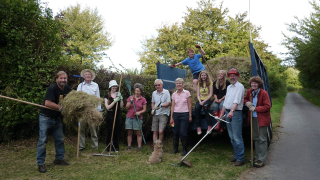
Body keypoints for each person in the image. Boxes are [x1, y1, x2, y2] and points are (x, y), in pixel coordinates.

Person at [36, 71, 71, 173]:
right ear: (56, 79)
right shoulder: (52, 88)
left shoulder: (66, 89)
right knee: (43, 141)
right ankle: (40, 163)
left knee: (60, 139)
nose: (63, 80)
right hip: (46, 118)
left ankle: (59, 159)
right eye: (61, 78)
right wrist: (60, 108)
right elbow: (47, 103)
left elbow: (73, 97)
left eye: (64, 78)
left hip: (57, 119)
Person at [244, 76, 271, 168]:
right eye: (252, 83)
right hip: (253, 118)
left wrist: (255, 108)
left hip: (262, 119)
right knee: (255, 138)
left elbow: (267, 106)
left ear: (259, 84)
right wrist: (247, 102)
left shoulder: (264, 93)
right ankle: (256, 156)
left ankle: (261, 159)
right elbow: (245, 99)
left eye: (255, 83)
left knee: (262, 139)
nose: (254, 84)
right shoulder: (250, 92)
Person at [220, 67, 245, 166]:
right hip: (227, 112)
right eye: (231, 75)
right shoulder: (229, 87)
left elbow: (237, 100)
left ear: (237, 76)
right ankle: (236, 155)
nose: (232, 77)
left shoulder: (240, 87)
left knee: (237, 137)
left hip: (235, 113)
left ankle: (241, 158)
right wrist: (222, 113)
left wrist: (232, 111)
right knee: (231, 137)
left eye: (234, 75)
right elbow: (226, 101)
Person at [77, 69, 100, 151]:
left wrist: (98, 109)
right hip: (82, 110)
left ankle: (95, 146)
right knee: (81, 129)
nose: (88, 76)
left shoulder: (95, 85)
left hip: (92, 110)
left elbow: (97, 97)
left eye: (89, 74)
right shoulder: (80, 86)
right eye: (86, 74)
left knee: (93, 129)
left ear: (91, 76)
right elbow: (77, 98)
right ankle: (81, 146)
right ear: (83, 76)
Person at [170, 78, 192, 156]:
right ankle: (175, 149)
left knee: (183, 133)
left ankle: (184, 150)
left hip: (184, 114)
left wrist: (190, 115)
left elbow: (189, 105)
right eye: (177, 83)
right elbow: (172, 106)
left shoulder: (187, 93)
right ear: (175, 85)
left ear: (182, 84)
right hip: (176, 115)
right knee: (175, 133)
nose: (178, 85)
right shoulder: (174, 94)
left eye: (180, 83)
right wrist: (171, 117)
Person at [125, 83, 147, 152]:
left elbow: (144, 109)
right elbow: (126, 107)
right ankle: (129, 147)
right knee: (129, 133)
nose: (136, 92)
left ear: (141, 91)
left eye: (138, 91)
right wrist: (130, 102)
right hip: (129, 117)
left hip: (138, 118)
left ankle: (139, 147)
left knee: (139, 133)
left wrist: (139, 112)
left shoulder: (143, 99)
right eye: (135, 90)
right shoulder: (131, 97)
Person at [104, 80, 124, 152]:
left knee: (116, 131)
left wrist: (120, 99)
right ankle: (109, 147)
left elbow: (121, 106)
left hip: (117, 115)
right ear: (110, 87)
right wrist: (114, 101)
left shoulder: (118, 94)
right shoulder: (107, 96)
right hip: (110, 115)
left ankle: (116, 147)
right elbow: (107, 107)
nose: (115, 87)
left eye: (115, 86)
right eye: (113, 86)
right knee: (110, 131)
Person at [151, 79, 171, 148]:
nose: (157, 86)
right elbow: (153, 102)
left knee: (160, 131)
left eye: (159, 85)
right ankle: (155, 146)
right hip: (155, 114)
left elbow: (169, 103)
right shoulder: (154, 93)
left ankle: (159, 146)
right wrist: (153, 109)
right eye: (156, 85)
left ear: (162, 85)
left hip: (164, 113)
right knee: (155, 131)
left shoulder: (166, 92)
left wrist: (161, 106)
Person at [195, 70, 213, 135]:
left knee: (205, 108)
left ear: (207, 76)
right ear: (200, 76)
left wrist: (204, 102)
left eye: (204, 75)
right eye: (202, 75)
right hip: (200, 100)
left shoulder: (210, 83)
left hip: (207, 99)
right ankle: (198, 126)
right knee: (197, 108)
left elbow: (211, 94)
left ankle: (209, 125)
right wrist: (200, 101)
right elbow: (198, 95)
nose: (203, 76)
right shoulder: (199, 83)